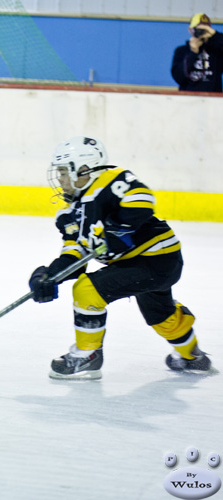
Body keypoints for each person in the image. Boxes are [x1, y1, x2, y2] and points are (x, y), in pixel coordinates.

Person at [28, 136, 212, 380]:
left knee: (87, 290)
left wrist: (118, 227)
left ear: (83, 169)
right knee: (162, 318)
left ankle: (88, 354)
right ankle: (194, 357)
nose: (60, 179)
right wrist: (51, 275)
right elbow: (76, 252)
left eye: (64, 171)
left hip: (157, 259)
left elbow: (143, 199)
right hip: (136, 266)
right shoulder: (68, 214)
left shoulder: (109, 180)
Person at [171, 13, 223, 92]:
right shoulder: (181, 51)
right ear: (190, 30)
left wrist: (215, 35)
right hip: (188, 99)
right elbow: (178, 78)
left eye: (205, 29)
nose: (201, 32)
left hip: (213, 100)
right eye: (197, 29)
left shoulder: (216, 51)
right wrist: (193, 53)